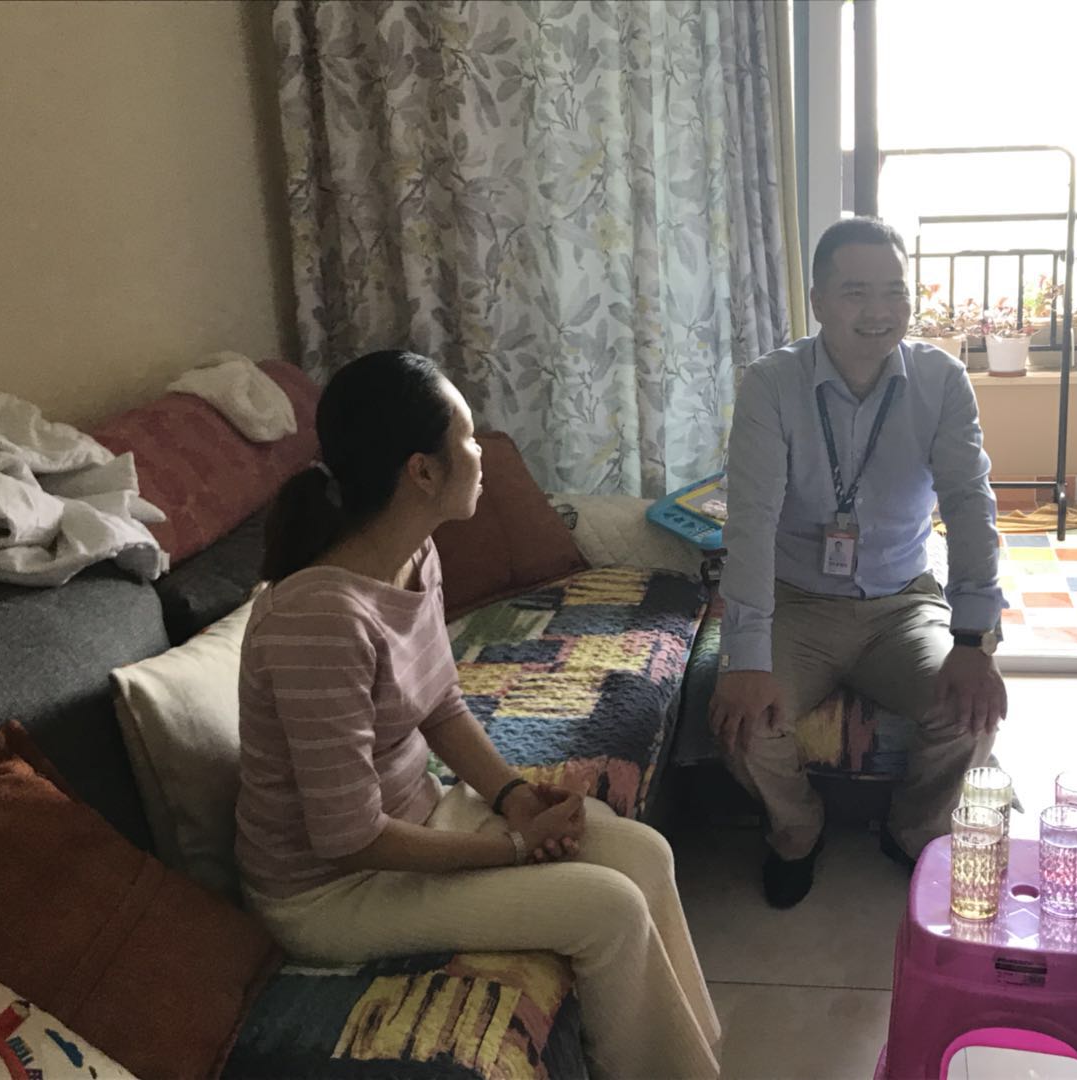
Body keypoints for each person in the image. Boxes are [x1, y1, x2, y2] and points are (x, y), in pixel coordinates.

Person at [235, 350, 720, 1079]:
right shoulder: (320, 620)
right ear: (422, 472)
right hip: (330, 892)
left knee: (644, 854)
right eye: (465, 437)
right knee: (608, 910)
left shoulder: (415, 556)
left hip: (416, 817)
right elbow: (347, 838)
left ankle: (695, 1060)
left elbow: (440, 704)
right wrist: (515, 848)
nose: (481, 452)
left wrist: (514, 797)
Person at [709, 217, 1008, 909]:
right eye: (855, 292)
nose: (879, 310)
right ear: (817, 300)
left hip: (902, 601)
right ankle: (797, 830)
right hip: (795, 601)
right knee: (741, 724)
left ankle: (914, 830)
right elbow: (750, 522)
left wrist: (973, 638)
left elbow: (970, 505)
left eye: (894, 291)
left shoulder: (941, 380)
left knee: (971, 710)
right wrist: (747, 657)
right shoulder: (771, 384)